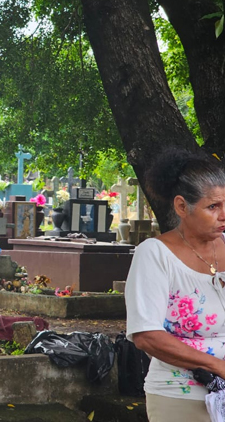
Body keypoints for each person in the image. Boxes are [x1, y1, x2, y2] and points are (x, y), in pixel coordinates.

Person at [125, 149, 225, 422]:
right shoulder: (155, 255)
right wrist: (217, 366)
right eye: (213, 207)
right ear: (182, 207)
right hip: (181, 399)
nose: (224, 215)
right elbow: (146, 335)